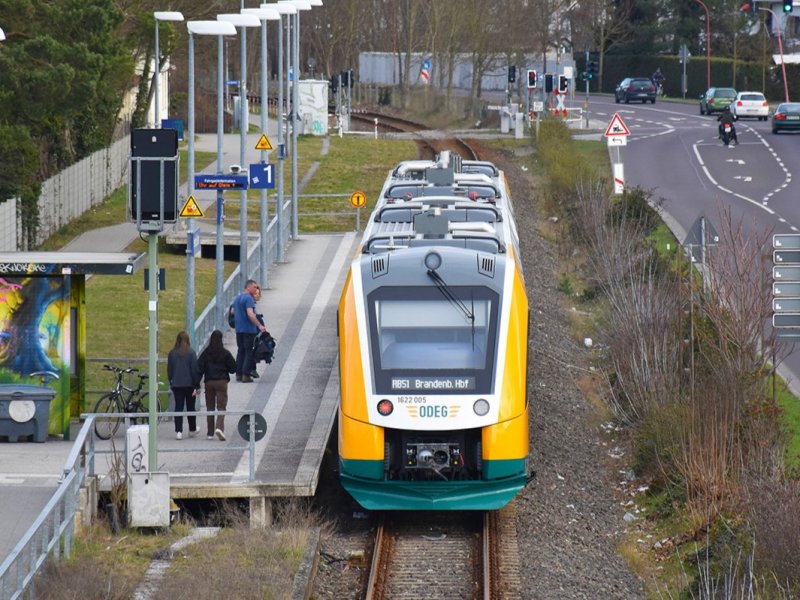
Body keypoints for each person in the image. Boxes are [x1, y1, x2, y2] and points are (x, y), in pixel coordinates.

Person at [198, 329, 236, 441]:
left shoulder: (205, 353)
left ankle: (210, 433)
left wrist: (196, 384)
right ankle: (219, 427)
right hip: (222, 382)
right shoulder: (225, 353)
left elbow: (199, 368)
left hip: (209, 382)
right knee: (221, 406)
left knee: (210, 407)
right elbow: (233, 368)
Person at [167, 330, 201, 440]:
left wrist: (171, 381)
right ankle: (192, 429)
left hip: (177, 384)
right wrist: (197, 385)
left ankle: (178, 431)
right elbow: (194, 370)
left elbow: (170, 370)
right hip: (189, 384)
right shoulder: (191, 352)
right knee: (191, 407)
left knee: (178, 407)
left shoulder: (172, 353)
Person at [233, 279, 266, 382]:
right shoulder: (248, 299)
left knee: (241, 350)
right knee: (249, 351)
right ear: (249, 287)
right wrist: (259, 325)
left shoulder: (238, 298)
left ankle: (238, 373)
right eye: (255, 287)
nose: (256, 289)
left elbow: (232, 312)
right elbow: (250, 314)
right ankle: (246, 374)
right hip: (248, 329)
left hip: (239, 329)